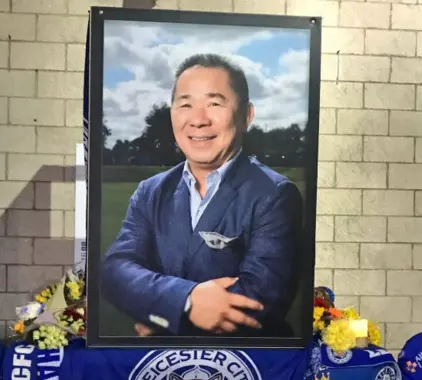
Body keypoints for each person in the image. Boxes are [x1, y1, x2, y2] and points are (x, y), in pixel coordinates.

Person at [100, 53, 304, 337]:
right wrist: (185, 301)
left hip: (247, 371)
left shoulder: (276, 195)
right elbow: (115, 272)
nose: (198, 120)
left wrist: (159, 317)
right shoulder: (150, 191)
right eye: (185, 104)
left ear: (246, 115)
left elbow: (258, 303)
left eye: (214, 104)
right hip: (161, 370)